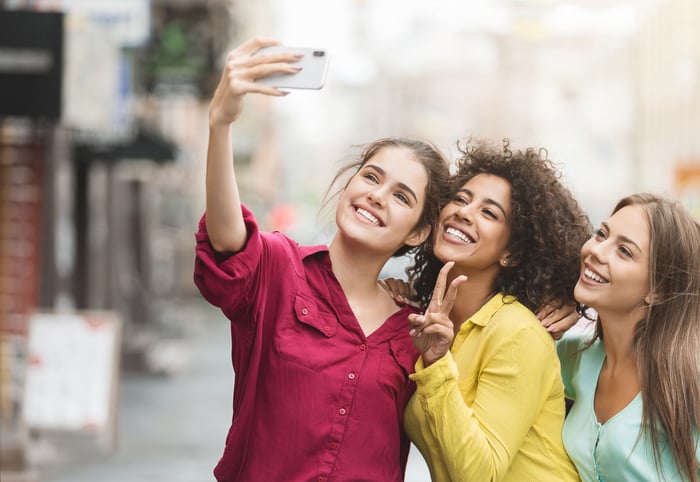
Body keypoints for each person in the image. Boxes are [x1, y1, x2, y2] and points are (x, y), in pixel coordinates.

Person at [193, 36, 452, 481]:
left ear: (418, 231)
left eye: (401, 196)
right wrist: (221, 124)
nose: (376, 195)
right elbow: (227, 239)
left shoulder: (417, 334)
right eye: (371, 176)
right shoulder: (277, 267)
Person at [402, 139, 590, 481]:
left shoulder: (518, 332)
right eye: (460, 199)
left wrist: (436, 364)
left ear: (512, 254)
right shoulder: (439, 323)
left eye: (489, 212)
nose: (463, 212)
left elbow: (479, 473)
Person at [557, 193, 700, 482]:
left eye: (624, 251)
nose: (597, 251)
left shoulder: (687, 380)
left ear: (658, 289)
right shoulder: (573, 358)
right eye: (601, 234)